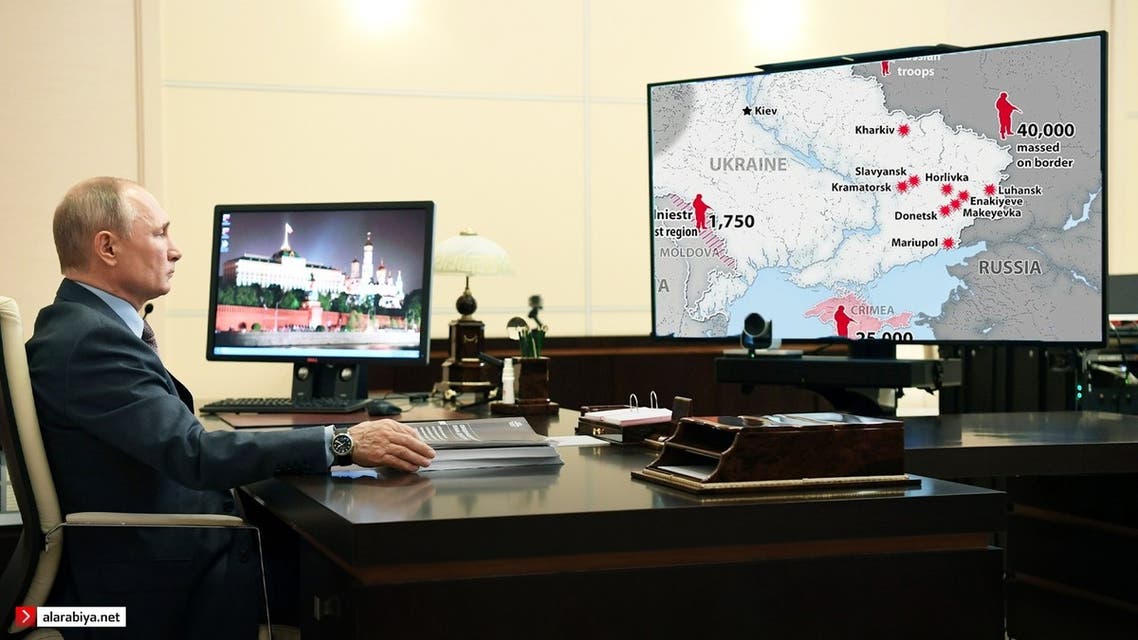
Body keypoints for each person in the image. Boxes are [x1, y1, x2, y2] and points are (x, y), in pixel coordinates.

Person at [25, 176, 436, 639]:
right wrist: (341, 442)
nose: (176, 251)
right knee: (376, 580)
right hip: (154, 585)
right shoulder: (90, 342)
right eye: (160, 233)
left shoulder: (79, 327)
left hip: (159, 553)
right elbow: (194, 454)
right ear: (107, 247)